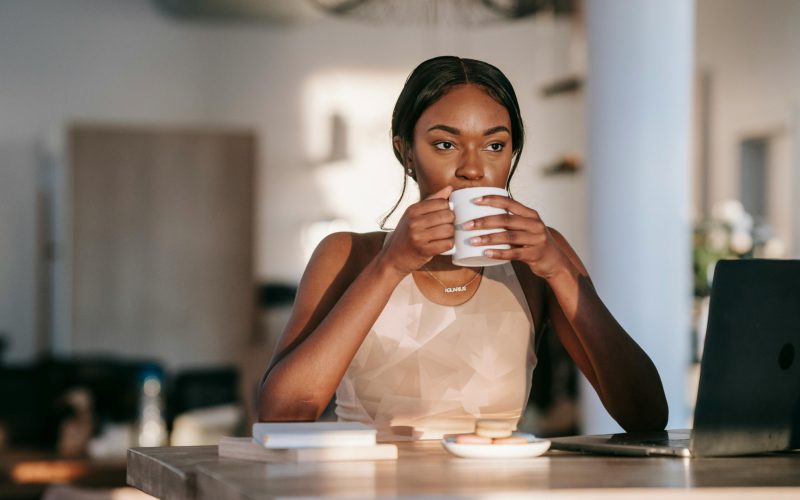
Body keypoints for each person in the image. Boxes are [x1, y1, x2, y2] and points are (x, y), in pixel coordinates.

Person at [258, 55, 668, 441]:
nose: (473, 168)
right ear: (406, 152)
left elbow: (646, 415)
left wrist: (560, 272)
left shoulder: (537, 259)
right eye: (445, 144)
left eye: (494, 146)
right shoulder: (348, 255)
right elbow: (281, 415)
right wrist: (391, 266)